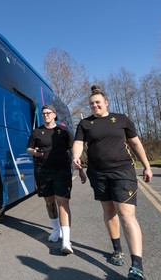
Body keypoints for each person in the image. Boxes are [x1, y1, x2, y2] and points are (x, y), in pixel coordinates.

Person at [72, 85, 152, 280]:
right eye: (91, 104)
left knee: (126, 214)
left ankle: (137, 266)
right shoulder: (84, 123)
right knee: (109, 212)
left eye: (98, 102)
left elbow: (135, 143)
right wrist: (76, 158)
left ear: (106, 103)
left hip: (122, 170)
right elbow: (79, 143)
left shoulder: (121, 119)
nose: (95, 105)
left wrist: (147, 166)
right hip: (97, 173)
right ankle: (117, 250)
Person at [27, 104, 86, 254]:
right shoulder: (37, 131)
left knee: (63, 201)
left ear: (54, 115)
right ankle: (55, 230)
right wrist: (34, 152)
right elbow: (28, 149)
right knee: (49, 201)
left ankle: (66, 241)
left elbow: (75, 149)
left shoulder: (63, 131)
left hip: (62, 170)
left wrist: (80, 168)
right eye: (43, 113)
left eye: (48, 113)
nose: (45, 115)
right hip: (42, 171)